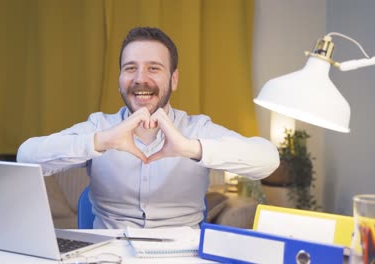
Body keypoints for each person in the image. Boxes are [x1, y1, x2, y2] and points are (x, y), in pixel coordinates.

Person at [17, 26, 279, 229]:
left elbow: (268, 160)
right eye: (130, 68)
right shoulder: (100, 126)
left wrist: (190, 148)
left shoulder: (197, 128)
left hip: (181, 256)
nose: (140, 79)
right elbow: (27, 156)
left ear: (173, 79)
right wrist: (102, 142)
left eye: (154, 68)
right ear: (120, 79)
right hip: (109, 254)